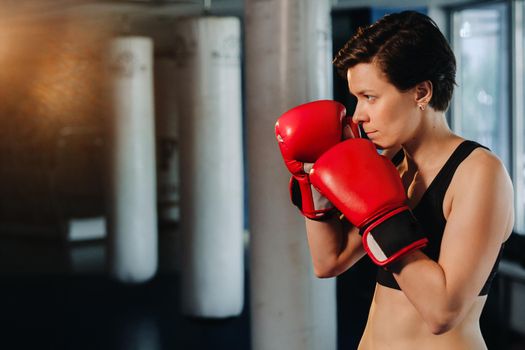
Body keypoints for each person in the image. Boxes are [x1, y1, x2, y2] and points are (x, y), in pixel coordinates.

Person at [275, 11, 514, 350]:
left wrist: (383, 220)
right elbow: (329, 260)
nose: (358, 114)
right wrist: (311, 179)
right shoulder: (393, 167)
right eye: (356, 98)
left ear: (421, 93)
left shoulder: (479, 173)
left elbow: (442, 312)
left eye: (370, 97)